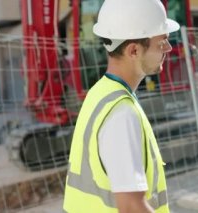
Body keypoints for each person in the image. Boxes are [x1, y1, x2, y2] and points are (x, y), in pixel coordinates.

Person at [63, 0, 180, 212]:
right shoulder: (122, 114)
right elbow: (131, 207)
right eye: (162, 42)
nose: (169, 48)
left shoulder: (100, 92)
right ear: (134, 50)